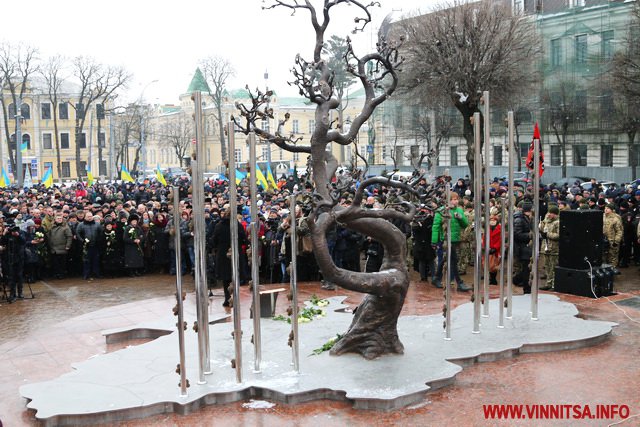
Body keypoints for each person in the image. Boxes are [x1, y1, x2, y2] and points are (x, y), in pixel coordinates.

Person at [431, 192, 471, 292]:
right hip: (445, 240)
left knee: (446, 259)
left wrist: (460, 218)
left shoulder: (459, 210)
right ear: (447, 201)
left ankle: (436, 278)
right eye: (453, 199)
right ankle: (459, 282)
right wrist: (434, 241)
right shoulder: (441, 211)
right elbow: (435, 227)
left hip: (456, 239)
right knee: (453, 260)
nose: (455, 201)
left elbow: (465, 225)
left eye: (456, 199)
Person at [513, 200, 533, 294]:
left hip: (526, 247)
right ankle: (526, 287)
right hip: (521, 248)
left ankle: (519, 281)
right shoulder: (519, 220)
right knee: (526, 269)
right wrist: (529, 235)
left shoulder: (527, 218)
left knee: (527, 268)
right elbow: (517, 234)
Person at [75, 211, 103, 280]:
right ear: (85, 217)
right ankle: (86, 274)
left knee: (96, 260)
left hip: (95, 245)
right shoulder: (81, 225)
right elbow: (78, 233)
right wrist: (83, 241)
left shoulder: (97, 224)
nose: (90, 218)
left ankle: (96, 273)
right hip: (86, 246)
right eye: (88, 216)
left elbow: (101, 232)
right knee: (86, 261)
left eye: (91, 216)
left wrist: (98, 240)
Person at [539, 204, 560, 290]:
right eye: (548, 213)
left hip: (554, 249)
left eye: (550, 213)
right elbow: (542, 230)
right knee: (547, 266)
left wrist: (547, 234)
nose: (548, 215)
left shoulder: (558, 222)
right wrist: (541, 226)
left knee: (553, 267)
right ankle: (548, 283)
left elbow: (558, 235)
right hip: (546, 247)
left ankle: (554, 285)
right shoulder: (547, 221)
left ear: (555, 214)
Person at [47, 213, 73, 279]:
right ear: (55, 219)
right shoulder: (52, 227)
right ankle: (56, 273)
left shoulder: (66, 227)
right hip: (53, 248)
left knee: (62, 263)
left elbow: (69, 237)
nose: (59, 220)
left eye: (60, 218)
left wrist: (68, 246)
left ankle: (61, 274)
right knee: (55, 263)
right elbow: (49, 235)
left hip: (62, 248)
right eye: (58, 218)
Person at [603, 203, 623, 269]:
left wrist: (616, 241)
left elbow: (619, 231)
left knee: (613, 257)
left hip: (612, 241)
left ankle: (612, 272)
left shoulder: (615, 218)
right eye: (605, 208)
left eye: (608, 208)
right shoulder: (603, 216)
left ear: (611, 210)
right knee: (604, 257)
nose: (606, 209)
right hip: (604, 240)